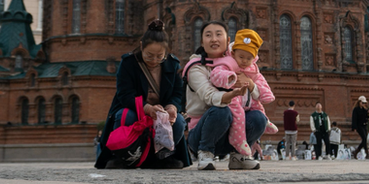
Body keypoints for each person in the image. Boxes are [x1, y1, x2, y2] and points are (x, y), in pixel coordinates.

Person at [96, 20, 189, 169]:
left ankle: (162, 157)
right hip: (135, 109)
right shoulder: (129, 63)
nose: (154, 60)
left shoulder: (173, 64)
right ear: (141, 46)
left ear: (166, 52)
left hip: (161, 112)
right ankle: (125, 155)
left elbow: (178, 93)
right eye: (149, 55)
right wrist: (147, 109)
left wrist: (172, 107)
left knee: (177, 122)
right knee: (126, 116)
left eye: (160, 56)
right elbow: (124, 94)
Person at [184, 21, 264, 170]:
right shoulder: (196, 68)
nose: (214, 39)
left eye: (218, 34)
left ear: (228, 41)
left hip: (232, 134)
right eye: (208, 35)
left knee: (259, 117)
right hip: (202, 133)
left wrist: (250, 84)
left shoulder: (239, 61)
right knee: (221, 110)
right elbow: (209, 96)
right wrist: (232, 95)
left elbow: (260, 93)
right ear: (202, 41)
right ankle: (205, 152)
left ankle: (238, 156)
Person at [206, 29, 277, 156]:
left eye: (248, 58)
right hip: (233, 99)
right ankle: (238, 141)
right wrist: (231, 77)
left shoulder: (253, 69)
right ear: (233, 53)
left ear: (254, 58)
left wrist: (254, 86)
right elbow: (216, 75)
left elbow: (262, 83)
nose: (244, 61)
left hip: (249, 104)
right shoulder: (227, 63)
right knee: (238, 114)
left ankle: (264, 122)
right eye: (241, 57)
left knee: (258, 108)